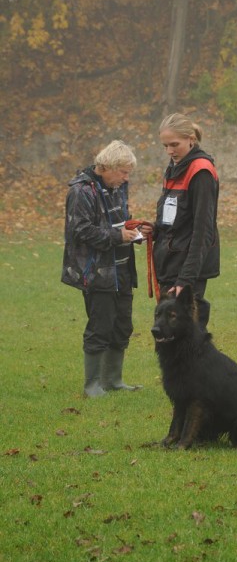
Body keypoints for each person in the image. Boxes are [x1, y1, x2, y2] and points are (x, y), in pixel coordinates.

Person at [61, 140, 143, 398]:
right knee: (100, 327)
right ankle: (92, 386)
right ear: (106, 166)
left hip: (123, 270)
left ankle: (113, 381)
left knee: (122, 326)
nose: (126, 178)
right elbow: (80, 231)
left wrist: (136, 230)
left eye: (128, 173)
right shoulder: (81, 192)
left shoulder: (118, 186)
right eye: (123, 172)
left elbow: (120, 221)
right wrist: (119, 236)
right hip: (96, 273)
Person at [151, 112, 220, 330]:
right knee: (168, 338)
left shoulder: (201, 172)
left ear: (191, 138)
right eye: (165, 146)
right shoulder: (174, 167)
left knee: (188, 338)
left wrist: (185, 281)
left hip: (187, 269)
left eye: (174, 144)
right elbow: (174, 220)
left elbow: (203, 231)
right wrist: (153, 229)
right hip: (170, 262)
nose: (170, 151)